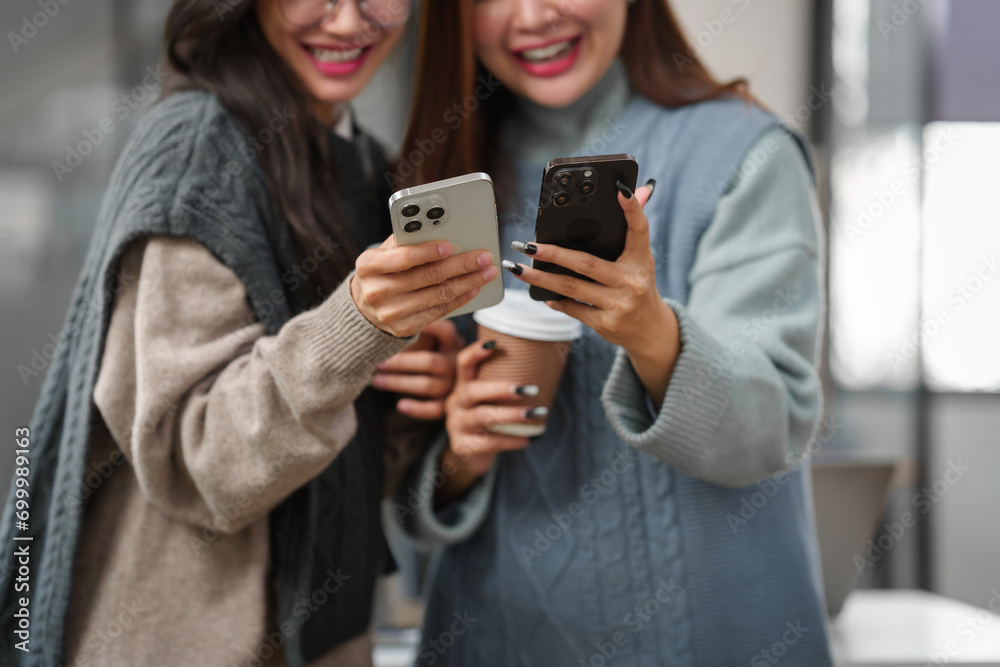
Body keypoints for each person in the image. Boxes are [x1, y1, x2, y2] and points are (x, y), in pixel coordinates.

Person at [0, 0, 494, 665]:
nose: (349, 23)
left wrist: (407, 395)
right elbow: (201, 461)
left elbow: (343, 468)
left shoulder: (365, 161)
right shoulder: (197, 151)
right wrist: (356, 325)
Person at [385, 0, 833, 664]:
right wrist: (460, 453)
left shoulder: (741, 153)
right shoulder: (443, 177)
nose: (533, 15)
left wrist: (651, 330)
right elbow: (411, 505)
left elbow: (775, 427)